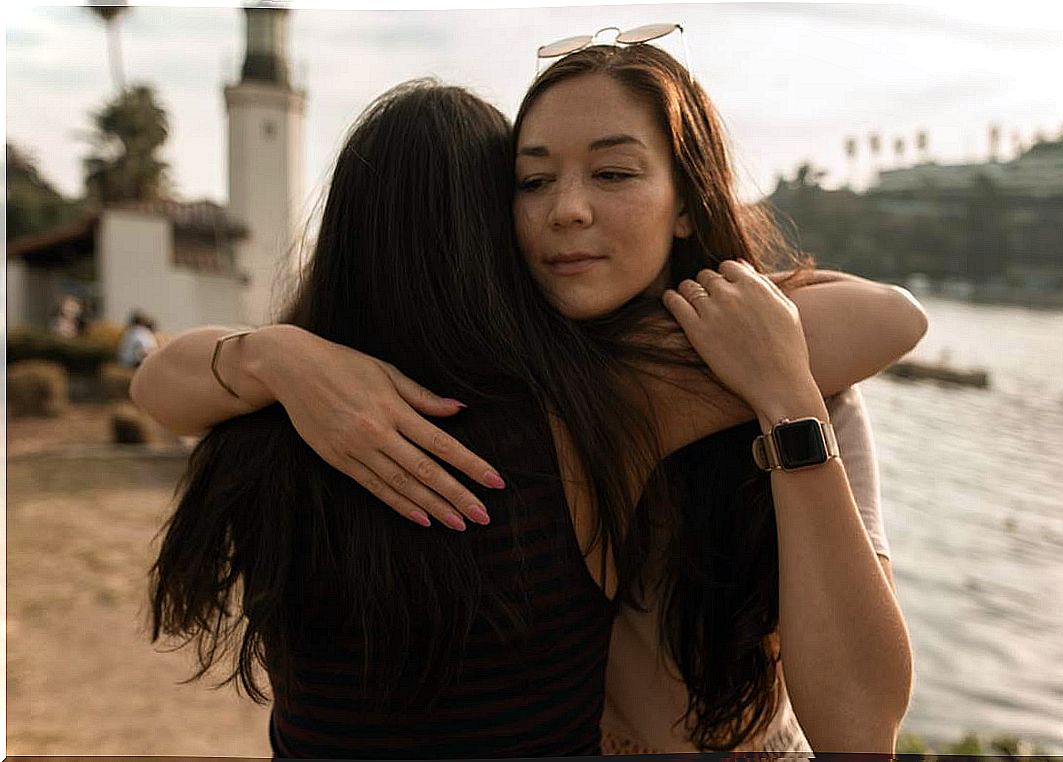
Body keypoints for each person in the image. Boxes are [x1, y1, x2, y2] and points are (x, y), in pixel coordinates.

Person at [140, 43, 919, 757]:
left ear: (687, 200)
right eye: (533, 181)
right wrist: (283, 356)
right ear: (490, 228)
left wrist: (785, 394)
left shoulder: (749, 378)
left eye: (612, 173)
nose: (565, 210)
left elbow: (891, 315)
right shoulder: (582, 406)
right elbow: (888, 316)